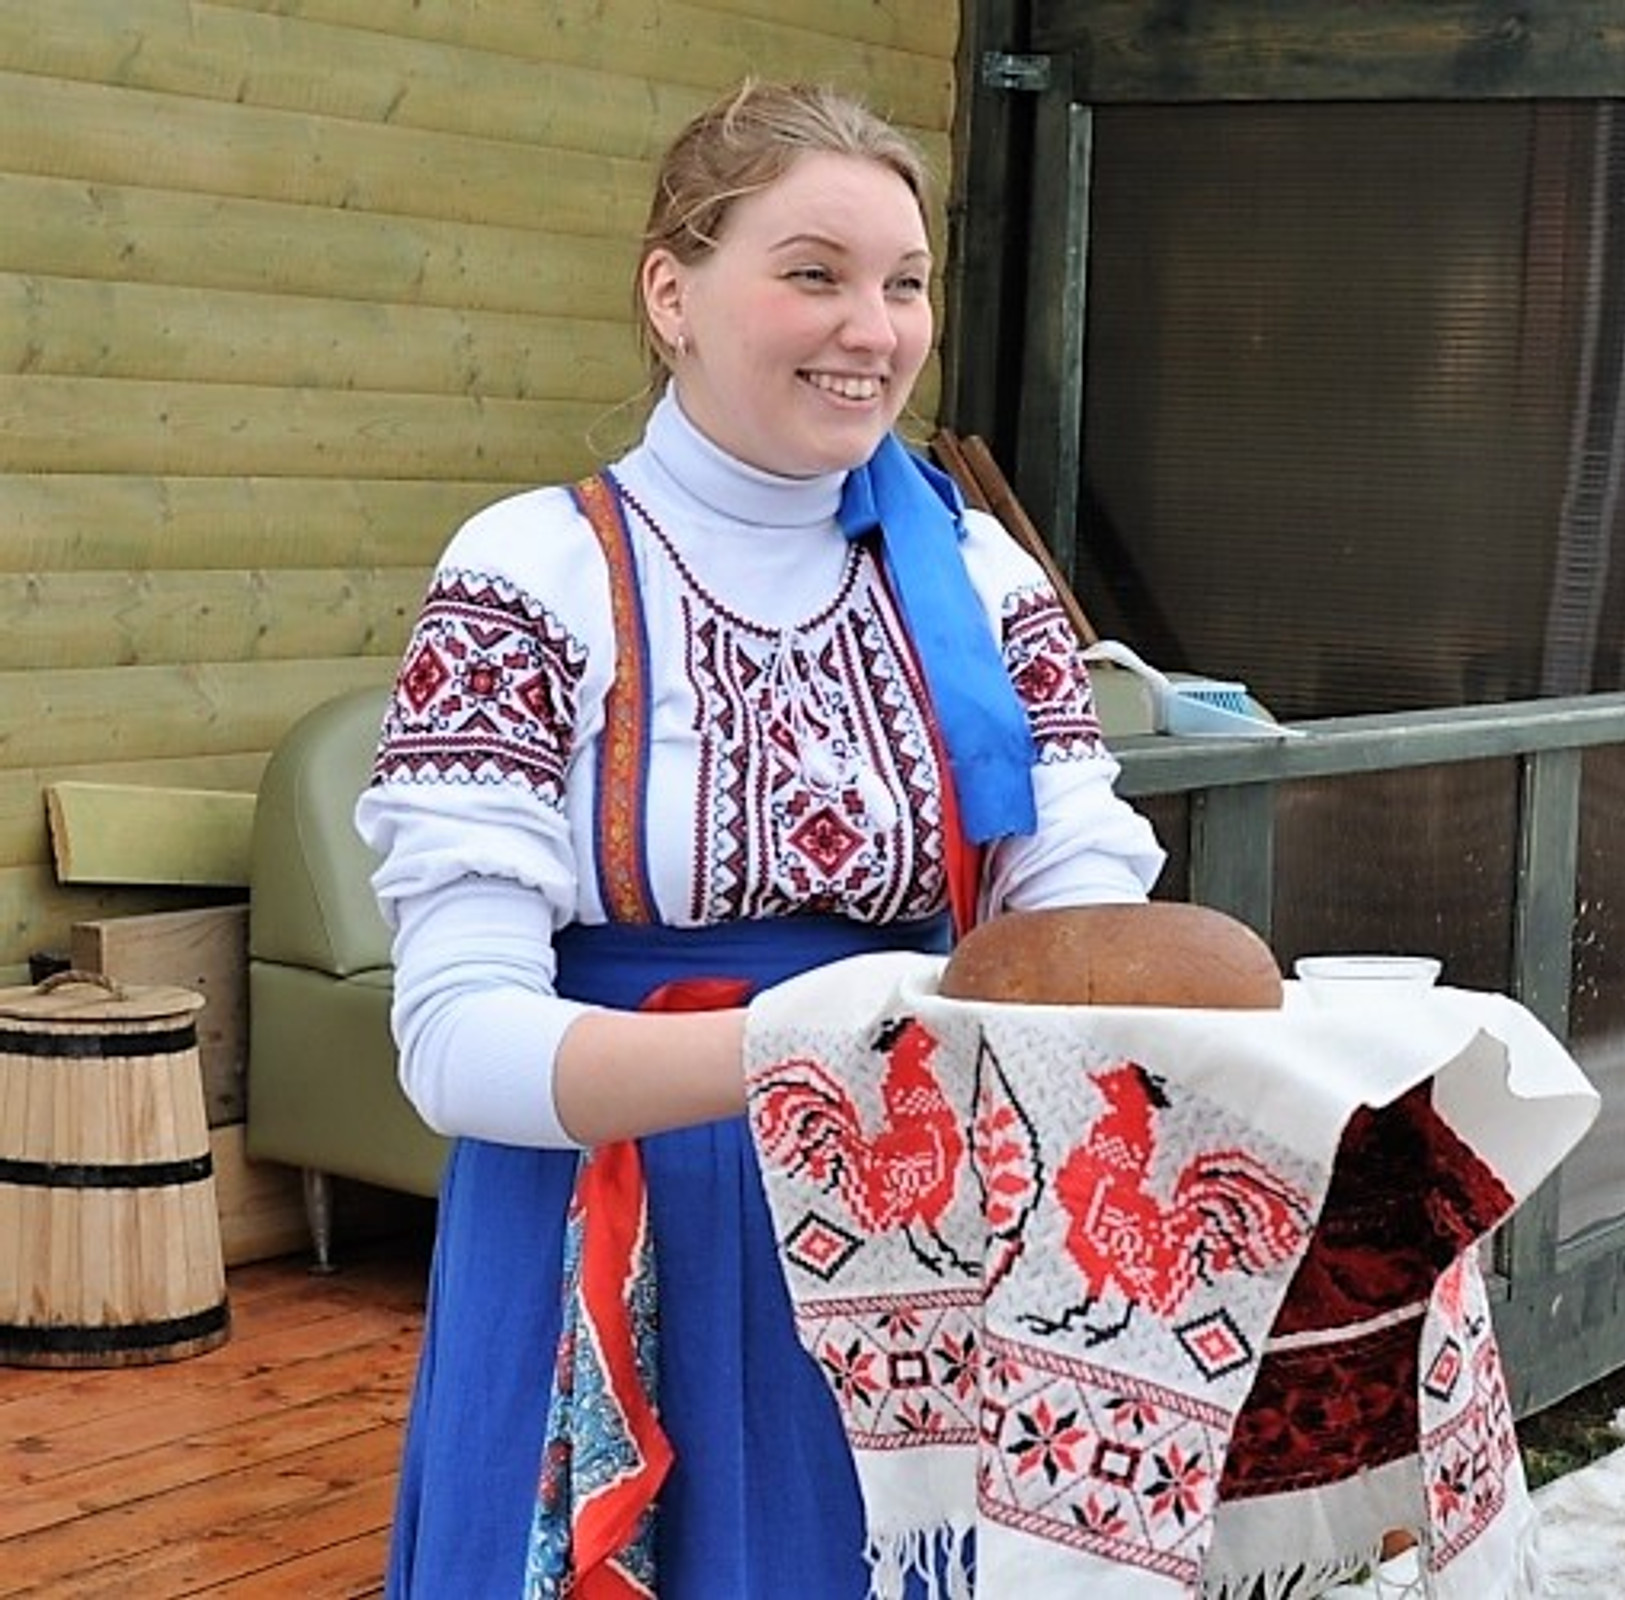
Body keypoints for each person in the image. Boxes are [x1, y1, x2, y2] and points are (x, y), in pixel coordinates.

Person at [356, 79, 1165, 1597]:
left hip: (919, 1237)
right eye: (814, 273)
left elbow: (1074, 884)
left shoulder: (978, 575)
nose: (875, 328)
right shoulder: (536, 573)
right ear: (672, 290)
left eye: (905, 285)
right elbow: (455, 1043)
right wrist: (804, 1051)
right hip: (621, 1232)